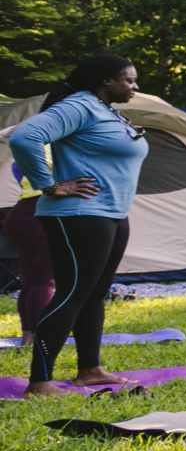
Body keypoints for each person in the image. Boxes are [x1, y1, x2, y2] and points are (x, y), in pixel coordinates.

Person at [8, 54, 150, 395]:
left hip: (112, 213)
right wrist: (49, 184)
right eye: (128, 80)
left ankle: (90, 368)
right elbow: (24, 137)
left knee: (94, 295)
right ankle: (40, 381)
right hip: (80, 214)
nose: (134, 86)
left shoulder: (105, 110)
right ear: (105, 81)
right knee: (72, 292)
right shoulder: (80, 106)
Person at [6, 152, 54, 344]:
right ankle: (37, 338)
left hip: (21, 212)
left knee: (32, 280)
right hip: (42, 213)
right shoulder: (59, 146)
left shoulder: (25, 149)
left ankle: (28, 335)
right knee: (44, 280)